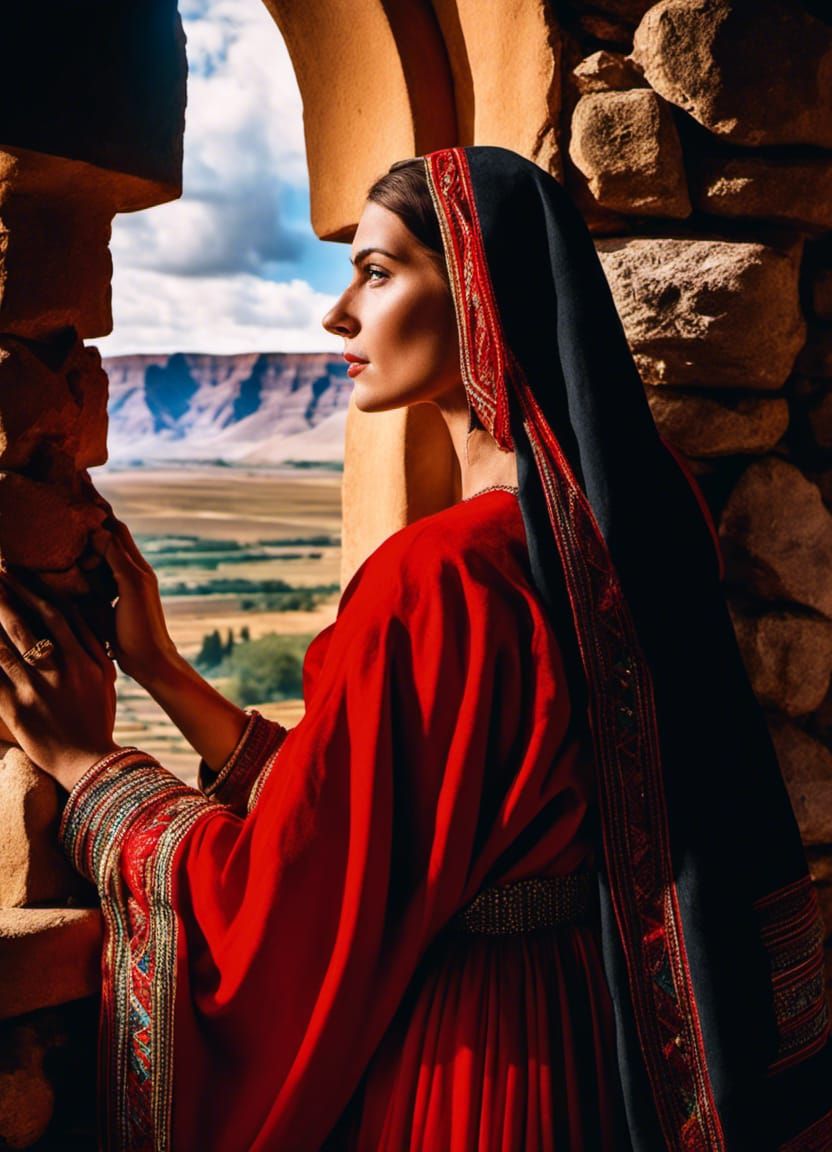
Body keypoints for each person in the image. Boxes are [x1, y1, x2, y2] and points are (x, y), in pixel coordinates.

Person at [0, 145, 828, 1152]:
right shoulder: (634, 519)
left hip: (477, 1066)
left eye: (379, 270)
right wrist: (167, 676)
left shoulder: (436, 575)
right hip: (600, 1032)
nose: (336, 313)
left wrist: (96, 776)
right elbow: (399, 798)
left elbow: (290, 890)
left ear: (479, 293)